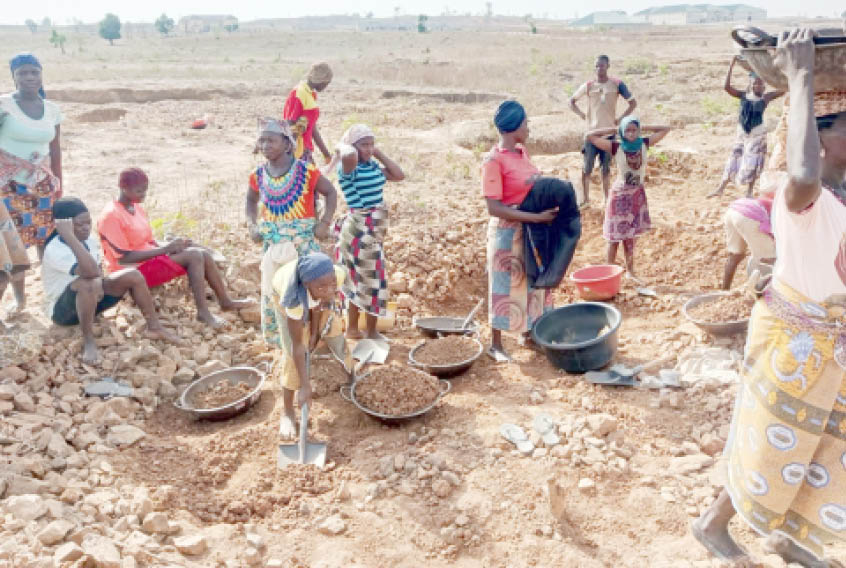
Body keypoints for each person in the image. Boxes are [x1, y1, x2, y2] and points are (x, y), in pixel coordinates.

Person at [692, 28, 846, 567]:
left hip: (834, 347)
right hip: (797, 345)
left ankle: (791, 538)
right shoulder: (804, 196)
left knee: (820, 446)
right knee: (773, 441)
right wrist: (800, 74)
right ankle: (713, 525)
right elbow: (801, 169)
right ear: (820, 138)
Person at [483, 100, 581, 362]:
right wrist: (535, 217)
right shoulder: (493, 161)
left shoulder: (521, 153)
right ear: (514, 126)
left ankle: (529, 334)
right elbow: (494, 207)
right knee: (504, 285)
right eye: (526, 123)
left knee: (531, 281)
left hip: (531, 228)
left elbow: (526, 185)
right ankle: (496, 344)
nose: (529, 128)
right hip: (507, 232)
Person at [98, 168, 254, 329]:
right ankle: (203, 313)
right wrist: (165, 250)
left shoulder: (135, 207)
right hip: (131, 272)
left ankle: (225, 301)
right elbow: (124, 258)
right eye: (139, 190)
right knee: (194, 256)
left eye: (146, 189)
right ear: (123, 188)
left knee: (203, 254)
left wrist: (173, 245)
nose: (144, 194)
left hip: (148, 260)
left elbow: (147, 242)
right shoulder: (111, 216)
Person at [42, 198, 181, 364]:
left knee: (132, 275)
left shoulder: (88, 241)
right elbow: (91, 272)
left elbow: (98, 272)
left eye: (88, 222)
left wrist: (102, 287)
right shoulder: (55, 250)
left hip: (91, 301)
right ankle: (89, 340)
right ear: (63, 227)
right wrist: (69, 237)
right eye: (80, 225)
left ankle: (155, 326)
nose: (87, 228)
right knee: (88, 283)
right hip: (64, 312)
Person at [245, 118, 337, 347]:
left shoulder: (306, 172)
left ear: (287, 144)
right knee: (276, 293)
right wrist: (251, 225)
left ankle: (312, 337)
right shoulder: (258, 175)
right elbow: (250, 199)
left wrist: (324, 222)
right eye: (262, 141)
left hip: (302, 245)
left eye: (271, 141)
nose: (265, 146)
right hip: (273, 248)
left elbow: (331, 192)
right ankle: (285, 345)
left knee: (309, 293)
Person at [0, 53, 63, 313]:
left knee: (45, 240)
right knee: (14, 245)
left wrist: (59, 185)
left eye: (34, 72)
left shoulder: (52, 109)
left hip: (43, 185)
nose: (29, 77)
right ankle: (20, 299)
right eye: (22, 73)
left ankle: (51, 293)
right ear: (13, 76)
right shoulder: (4, 106)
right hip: (9, 184)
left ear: (41, 75)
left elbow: (56, 150)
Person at [334, 124, 404, 340]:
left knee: (363, 280)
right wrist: (344, 146)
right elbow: (346, 156)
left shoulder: (372, 167)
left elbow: (398, 174)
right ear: (353, 148)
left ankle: (358, 329)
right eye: (364, 144)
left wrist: (377, 152)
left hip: (371, 232)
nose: (369, 149)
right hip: (360, 231)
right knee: (368, 280)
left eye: (371, 144)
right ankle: (365, 331)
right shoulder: (349, 170)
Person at [586, 117, 670, 281]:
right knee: (614, 238)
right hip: (620, 196)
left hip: (636, 195)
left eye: (634, 130)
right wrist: (614, 129)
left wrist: (643, 126)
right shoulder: (616, 146)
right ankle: (608, 273)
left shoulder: (644, 144)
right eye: (627, 130)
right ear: (622, 132)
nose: (631, 134)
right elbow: (590, 136)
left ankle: (631, 272)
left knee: (631, 237)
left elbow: (666, 128)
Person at [273, 252, 346, 438]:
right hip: (281, 291)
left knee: (333, 327)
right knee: (292, 354)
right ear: (306, 285)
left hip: (310, 291)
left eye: (332, 285)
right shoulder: (293, 301)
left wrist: (314, 332)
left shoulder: (334, 275)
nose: (330, 291)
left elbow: (318, 303)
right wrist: (305, 386)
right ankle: (288, 412)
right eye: (323, 287)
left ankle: (351, 375)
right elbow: (297, 346)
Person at [709, 56, 786, 198]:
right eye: (756, 83)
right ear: (751, 84)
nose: (759, 86)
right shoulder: (743, 96)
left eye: (762, 84)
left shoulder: (766, 98)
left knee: (754, 162)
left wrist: (781, 72)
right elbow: (726, 87)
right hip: (742, 133)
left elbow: (784, 89)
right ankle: (721, 188)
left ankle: (749, 191)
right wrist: (731, 65)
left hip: (757, 134)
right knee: (734, 158)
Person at [569, 55, 637, 207]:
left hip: (609, 135)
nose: (599, 69)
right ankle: (586, 200)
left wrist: (620, 120)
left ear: (608, 66)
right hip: (591, 135)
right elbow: (571, 101)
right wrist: (581, 115)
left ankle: (607, 200)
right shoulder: (588, 85)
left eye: (602, 66)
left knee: (606, 168)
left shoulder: (617, 84)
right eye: (597, 66)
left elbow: (632, 103)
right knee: (586, 168)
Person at [721, 193, 776, 289]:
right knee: (769, 258)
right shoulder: (785, 209)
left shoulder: (775, 198)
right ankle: (759, 292)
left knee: (735, 255)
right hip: (750, 216)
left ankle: (724, 290)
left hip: (733, 210)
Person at [283, 62, 333, 164]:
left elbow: (311, 126)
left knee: (313, 178)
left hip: (305, 149)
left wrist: (326, 153)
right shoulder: (299, 93)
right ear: (321, 80)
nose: (326, 85)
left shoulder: (310, 93)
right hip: (297, 151)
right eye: (327, 82)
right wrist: (298, 152)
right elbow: (290, 124)